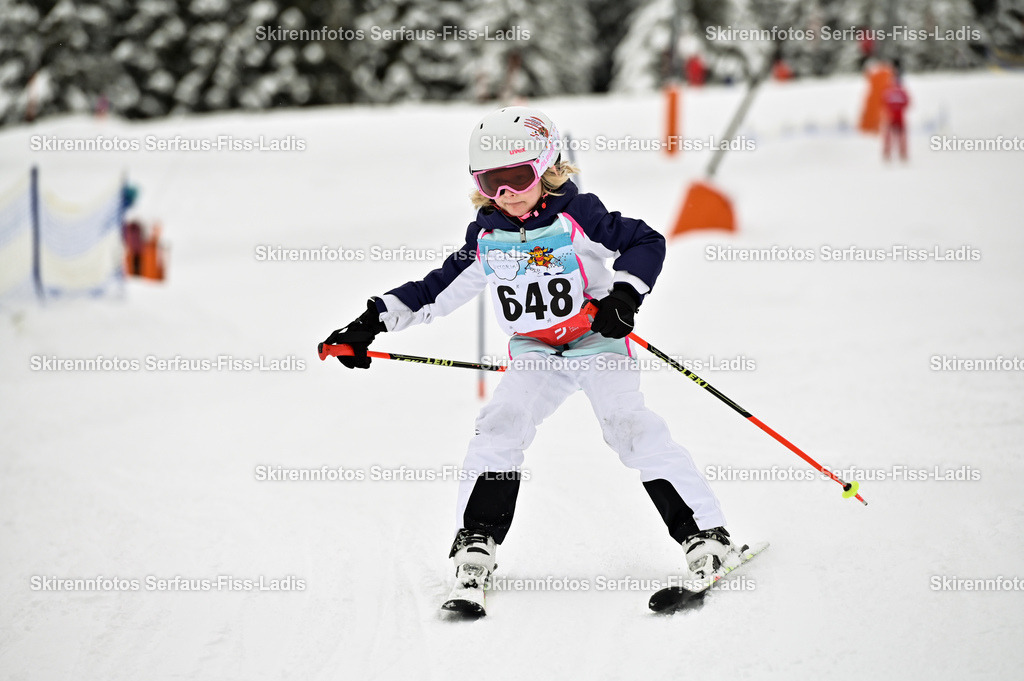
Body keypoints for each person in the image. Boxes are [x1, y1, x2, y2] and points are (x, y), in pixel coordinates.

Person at [321, 107, 733, 603]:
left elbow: (645, 241)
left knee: (628, 426)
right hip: (536, 351)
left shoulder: (578, 216)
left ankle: (706, 536)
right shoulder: (486, 238)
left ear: (546, 168)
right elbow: (433, 291)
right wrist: (370, 322)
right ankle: (476, 544)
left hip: (596, 341)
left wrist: (624, 297)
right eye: (490, 182)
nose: (506, 193)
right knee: (500, 424)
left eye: (518, 178)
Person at [882, 72, 911, 162]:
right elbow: (907, 103)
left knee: (889, 137)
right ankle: (902, 153)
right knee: (901, 137)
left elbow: (883, 103)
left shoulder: (888, 92)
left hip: (891, 117)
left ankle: (887, 153)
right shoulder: (902, 92)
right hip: (899, 117)